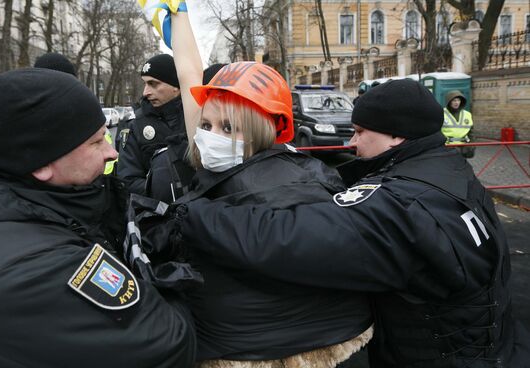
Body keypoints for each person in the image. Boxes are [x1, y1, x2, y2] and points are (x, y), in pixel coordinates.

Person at [173, 79, 530, 367]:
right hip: (494, 345)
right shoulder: (447, 170)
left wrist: (195, 213)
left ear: (396, 135)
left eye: (360, 131)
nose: (351, 141)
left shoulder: (399, 203)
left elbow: (287, 238)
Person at [0, 68, 196, 367]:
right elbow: (170, 340)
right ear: (41, 162)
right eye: (96, 141)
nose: (111, 153)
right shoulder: (36, 274)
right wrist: (164, 275)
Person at [141, 10, 374, 367]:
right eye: (205, 124)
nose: (209, 136)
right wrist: (178, 17)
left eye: (228, 127)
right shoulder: (226, 164)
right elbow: (190, 79)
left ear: (261, 132)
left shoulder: (293, 191)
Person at [144, 63, 226, 203]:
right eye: (206, 126)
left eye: (228, 127)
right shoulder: (166, 165)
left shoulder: (271, 168)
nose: (145, 92)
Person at [117, 54, 184, 195]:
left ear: (176, 86)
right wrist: (167, 191)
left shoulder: (197, 117)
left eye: (153, 84)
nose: (145, 92)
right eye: (145, 84)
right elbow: (128, 180)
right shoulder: (134, 125)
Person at [442, 90, 475, 158]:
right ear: (449, 101)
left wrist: (471, 145)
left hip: (464, 147)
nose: (456, 102)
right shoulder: (441, 113)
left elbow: (471, 132)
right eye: (454, 100)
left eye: (458, 100)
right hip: (447, 147)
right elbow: (437, 132)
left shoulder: (467, 114)